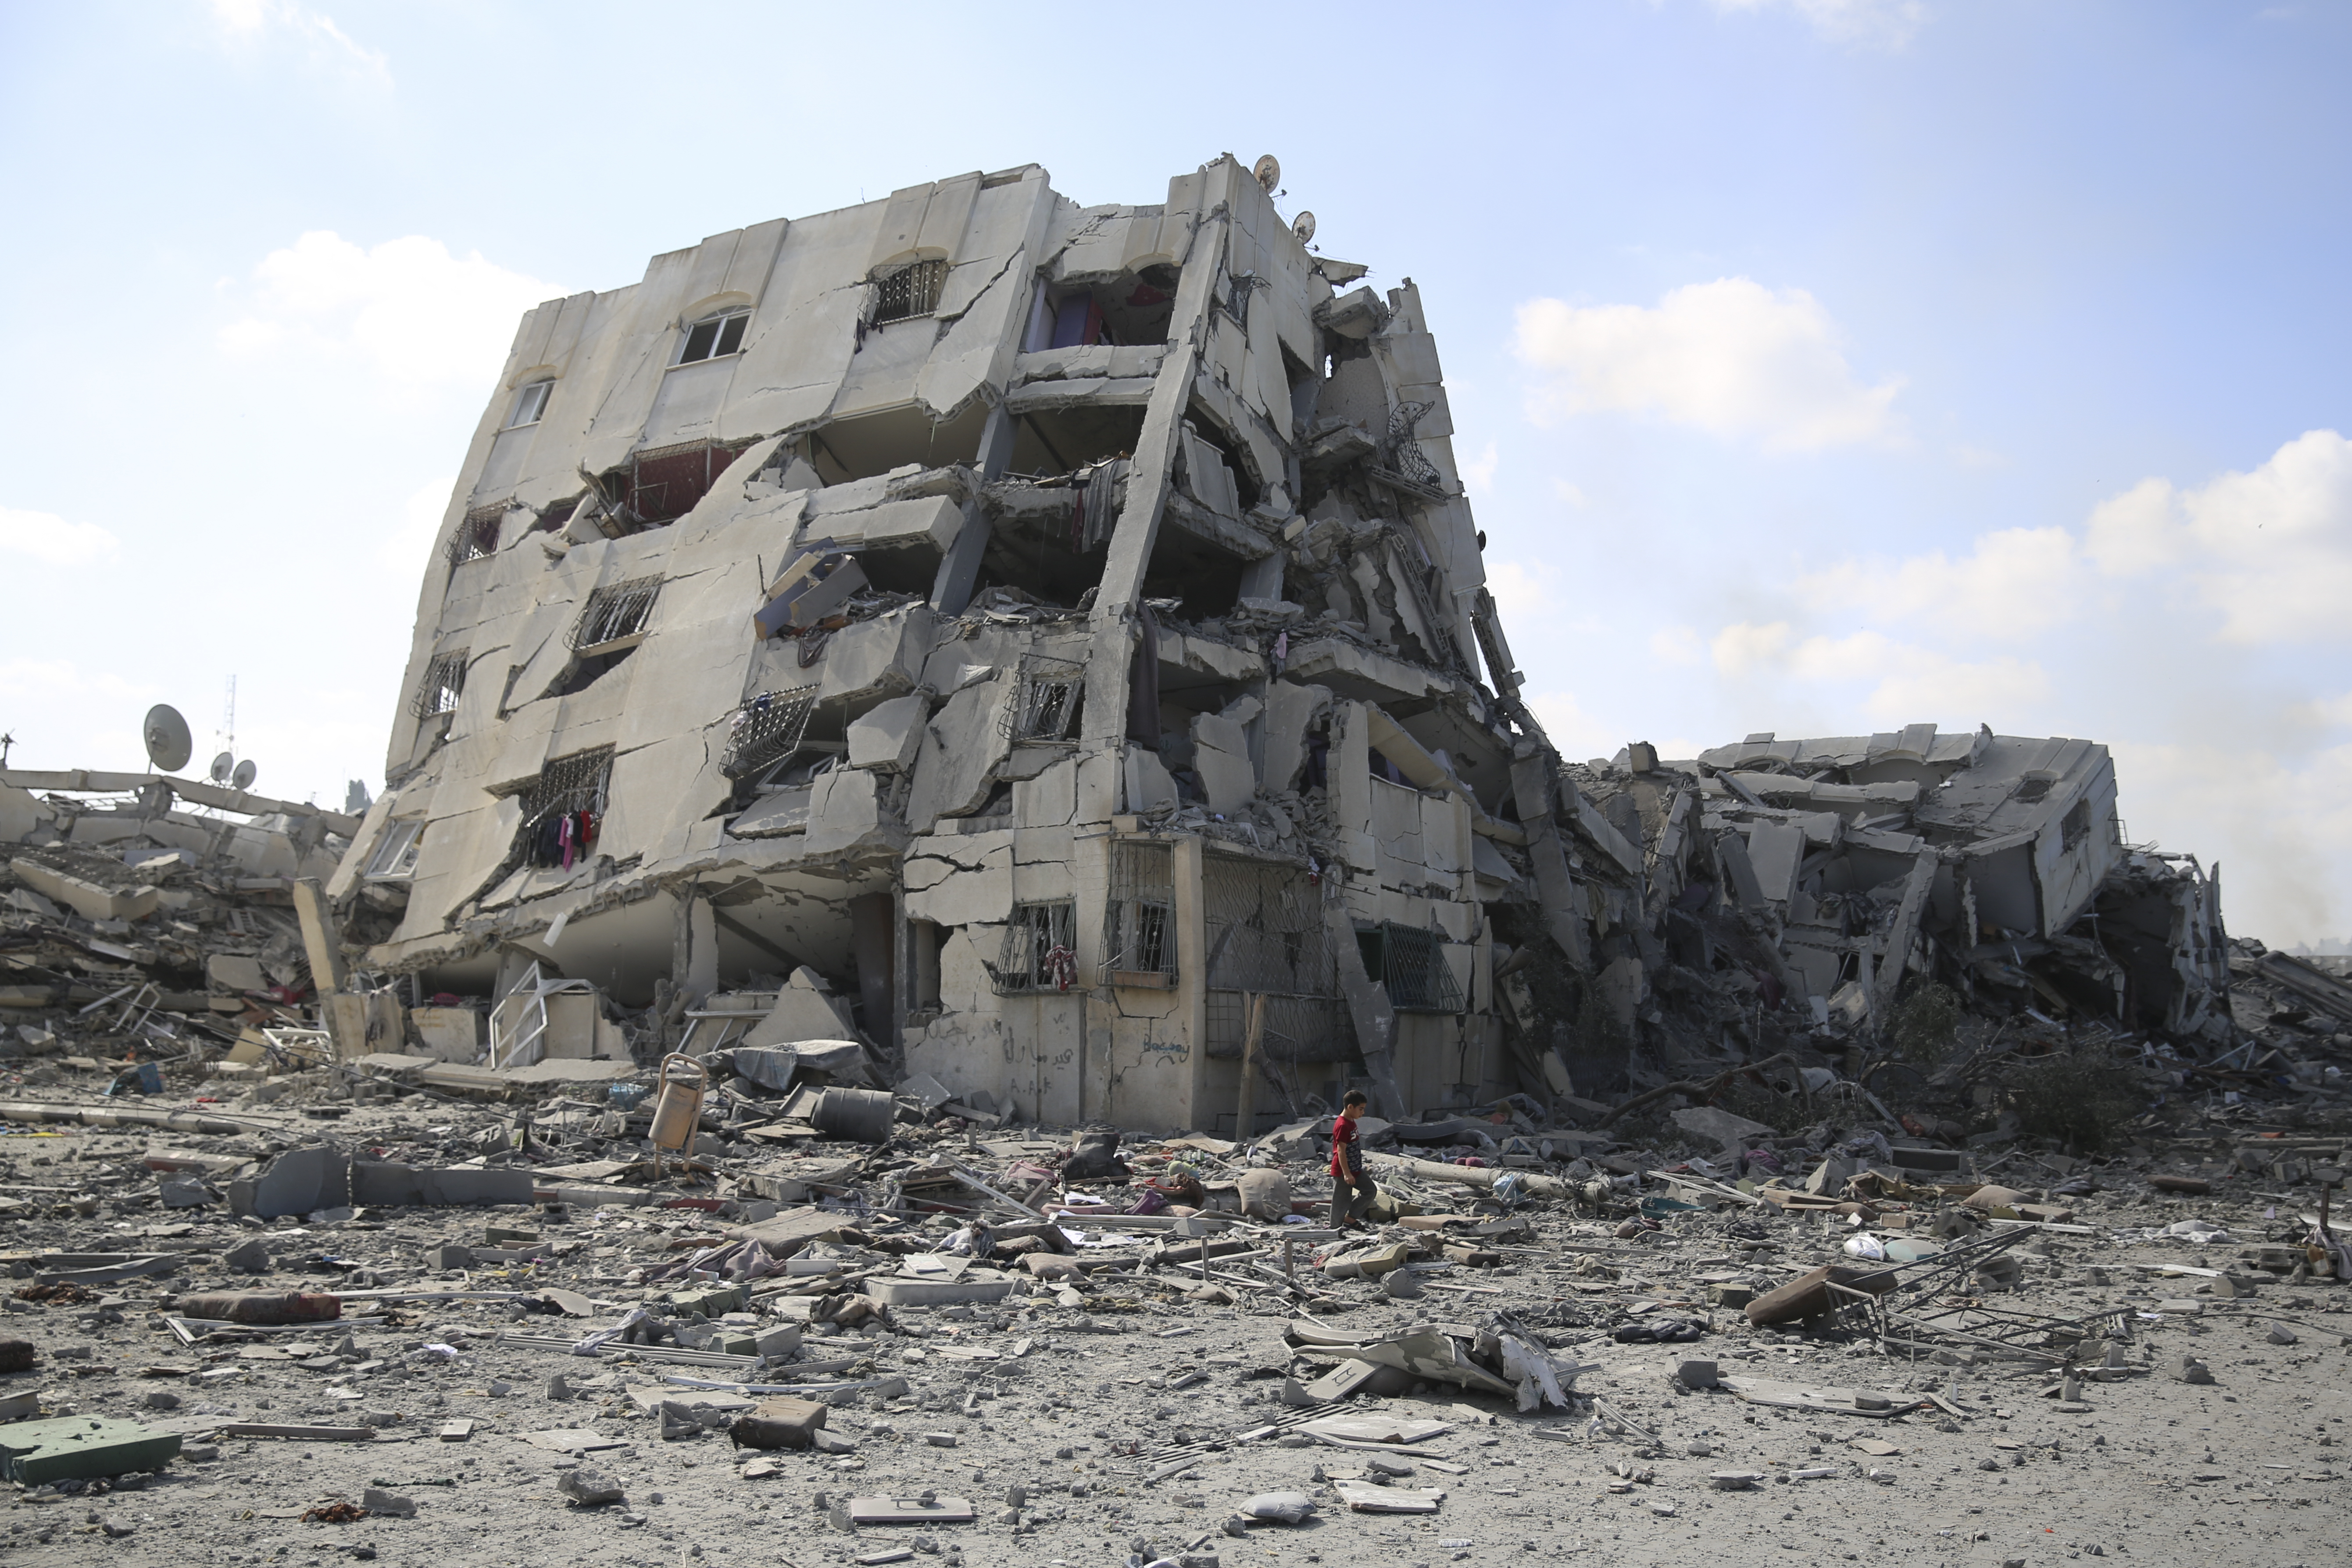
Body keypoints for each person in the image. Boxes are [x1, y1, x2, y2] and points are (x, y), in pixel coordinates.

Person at [1328, 1089, 1376, 1229]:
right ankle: (1335, 1230)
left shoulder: (1351, 1121)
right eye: (1361, 1109)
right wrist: (1347, 1173)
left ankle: (1350, 1217)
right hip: (1343, 1171)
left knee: (1370, 1190)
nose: (1363, 1112)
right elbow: (1341, 1151)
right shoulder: (1343, 1125)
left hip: (1355, 1169)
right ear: (1350, 1107)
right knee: (1341, 1202)